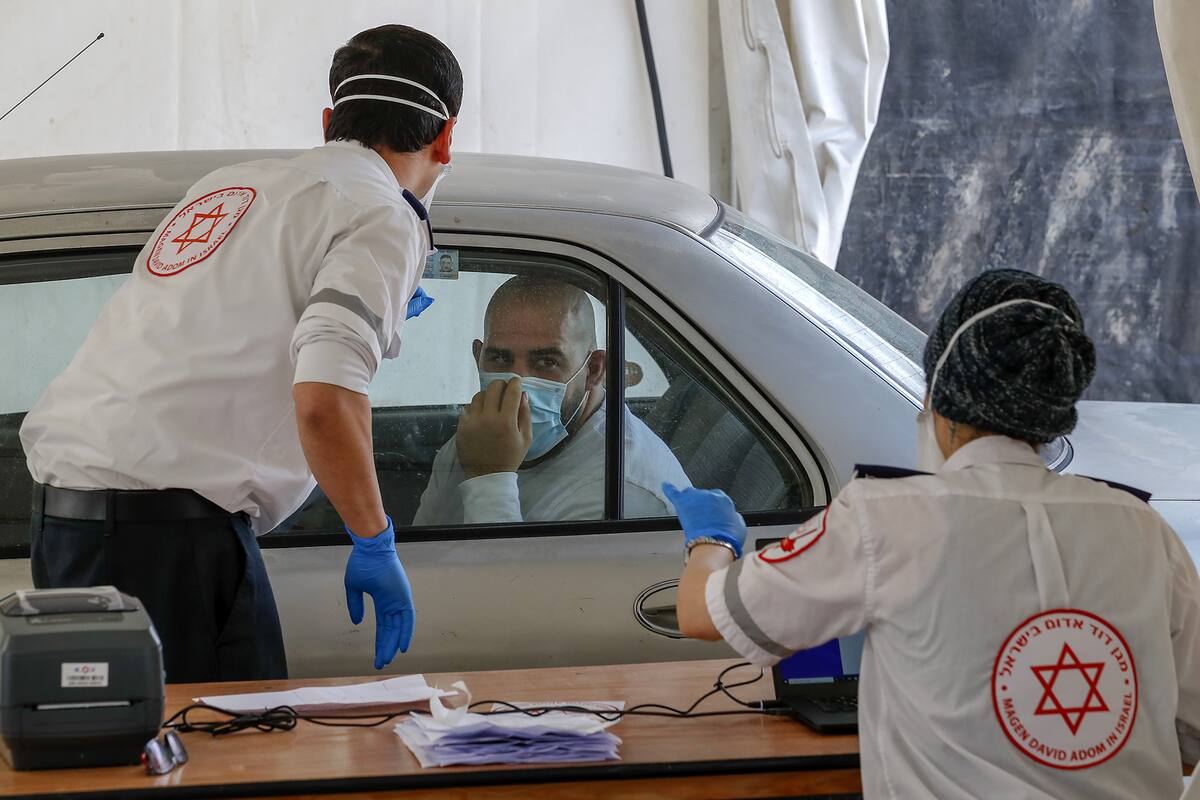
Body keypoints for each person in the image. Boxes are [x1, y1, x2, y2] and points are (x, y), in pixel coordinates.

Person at [19, 25, 462, 682]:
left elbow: (203, 327)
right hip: (169, 539)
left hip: (67, 522)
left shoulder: (229, 186)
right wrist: (373, 537)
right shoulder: (382, 214)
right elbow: (324, 400)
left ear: (328, 121)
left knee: (122, 755)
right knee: (226, 761)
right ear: (445, 138)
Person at [666, 269, 1200, 798]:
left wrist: (712, 538)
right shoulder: (1146, 531)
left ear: (940, 401)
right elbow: (1187, 741)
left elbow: (702, 614)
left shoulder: (886, 518)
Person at [413, 276, 689, 525]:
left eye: (546, 361)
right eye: (500, 358)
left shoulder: (620, 491)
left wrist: (490, 478)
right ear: (479, 358)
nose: (517, 384)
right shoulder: (480, 436)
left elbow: (511, 582)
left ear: (593, 370)